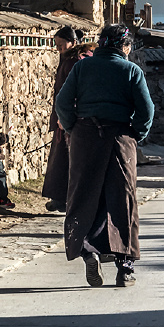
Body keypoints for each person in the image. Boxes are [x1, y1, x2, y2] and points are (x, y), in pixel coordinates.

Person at [56, 24, 154, 288]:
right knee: (122, 199)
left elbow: (62, 103)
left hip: (85, 138)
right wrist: (135, 134)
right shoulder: (131, 70)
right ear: (124, 46)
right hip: (119, 139)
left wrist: (72, 128)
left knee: (84, 194)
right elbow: (146, 111)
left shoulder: (81, 68)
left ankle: (88, 251)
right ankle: (125, 268)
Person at [41, 25, 88, 212]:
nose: (59, 48)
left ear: (73, 42)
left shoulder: (75, 61)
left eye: (62, 44)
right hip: (64, 116)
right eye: (57, 44)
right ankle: (60, 198)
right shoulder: (69, 59)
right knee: (61, 160)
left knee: (68, 161)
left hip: (69, 118)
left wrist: (66, 116)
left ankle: (66, 199)